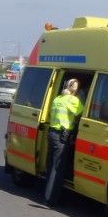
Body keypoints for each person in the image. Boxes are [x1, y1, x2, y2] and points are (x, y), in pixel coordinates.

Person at [44, 77, 84, 207]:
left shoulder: (58, 98)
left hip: (52, 133)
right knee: (58, 167)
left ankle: (47, 193)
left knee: (51, 165)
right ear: (74, 89)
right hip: (62, 135)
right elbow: (83, 113)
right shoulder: (73, 100)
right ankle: (51, 199)